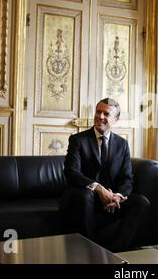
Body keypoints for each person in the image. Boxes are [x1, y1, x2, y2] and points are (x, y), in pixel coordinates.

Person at [59, 98, 150, 252]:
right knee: (85, 196)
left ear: (115, 120)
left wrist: (118, 196)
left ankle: (114, 251)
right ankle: (90, 251)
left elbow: (127, 177)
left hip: (111, 199)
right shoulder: (78, 140)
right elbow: (71, 172)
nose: (100, 116)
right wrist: (98, 188)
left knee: (141, 202)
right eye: (98, 112)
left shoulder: (122, 144)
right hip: (84, 197)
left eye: (106, 114)